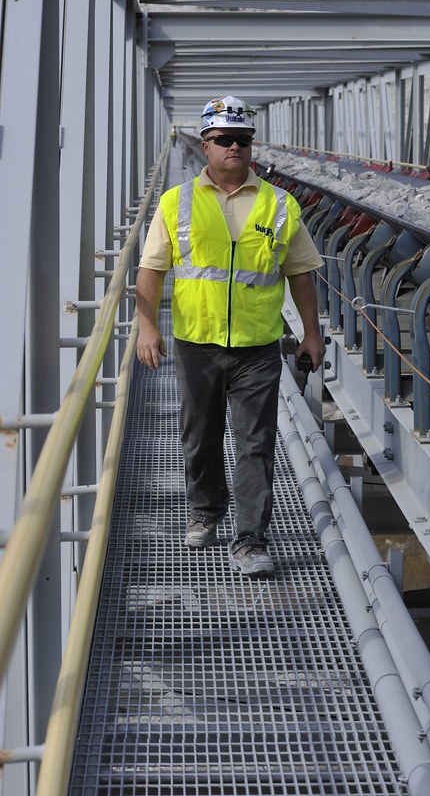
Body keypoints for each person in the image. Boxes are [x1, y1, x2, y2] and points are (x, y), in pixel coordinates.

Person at [136, 94, 325, 578]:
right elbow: (151, 269)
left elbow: (301, 272)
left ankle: (251, 540)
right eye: (224, 139)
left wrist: (311, 334)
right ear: (206, 144)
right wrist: (148, 327)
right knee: (199, 436)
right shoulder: (176, 202)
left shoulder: (279, 204)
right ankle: (205, 511)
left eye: (242, 139)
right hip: (196, 342)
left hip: (257, 346)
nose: (234, 147)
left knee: (255, 442)